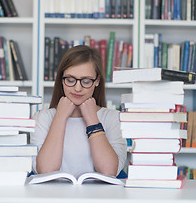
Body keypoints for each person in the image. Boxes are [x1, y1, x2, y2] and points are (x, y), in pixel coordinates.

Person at [30, 45, 127, 177]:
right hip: (53, 196)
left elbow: (109, 172)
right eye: (70, 80)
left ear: (97, 81)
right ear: (61, 80)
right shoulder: (42, 118)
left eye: (86, 81)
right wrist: (60, 116)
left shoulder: (113, 118)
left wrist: (92, 119)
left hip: (99, 196)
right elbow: (46, 171)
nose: (77, 88)